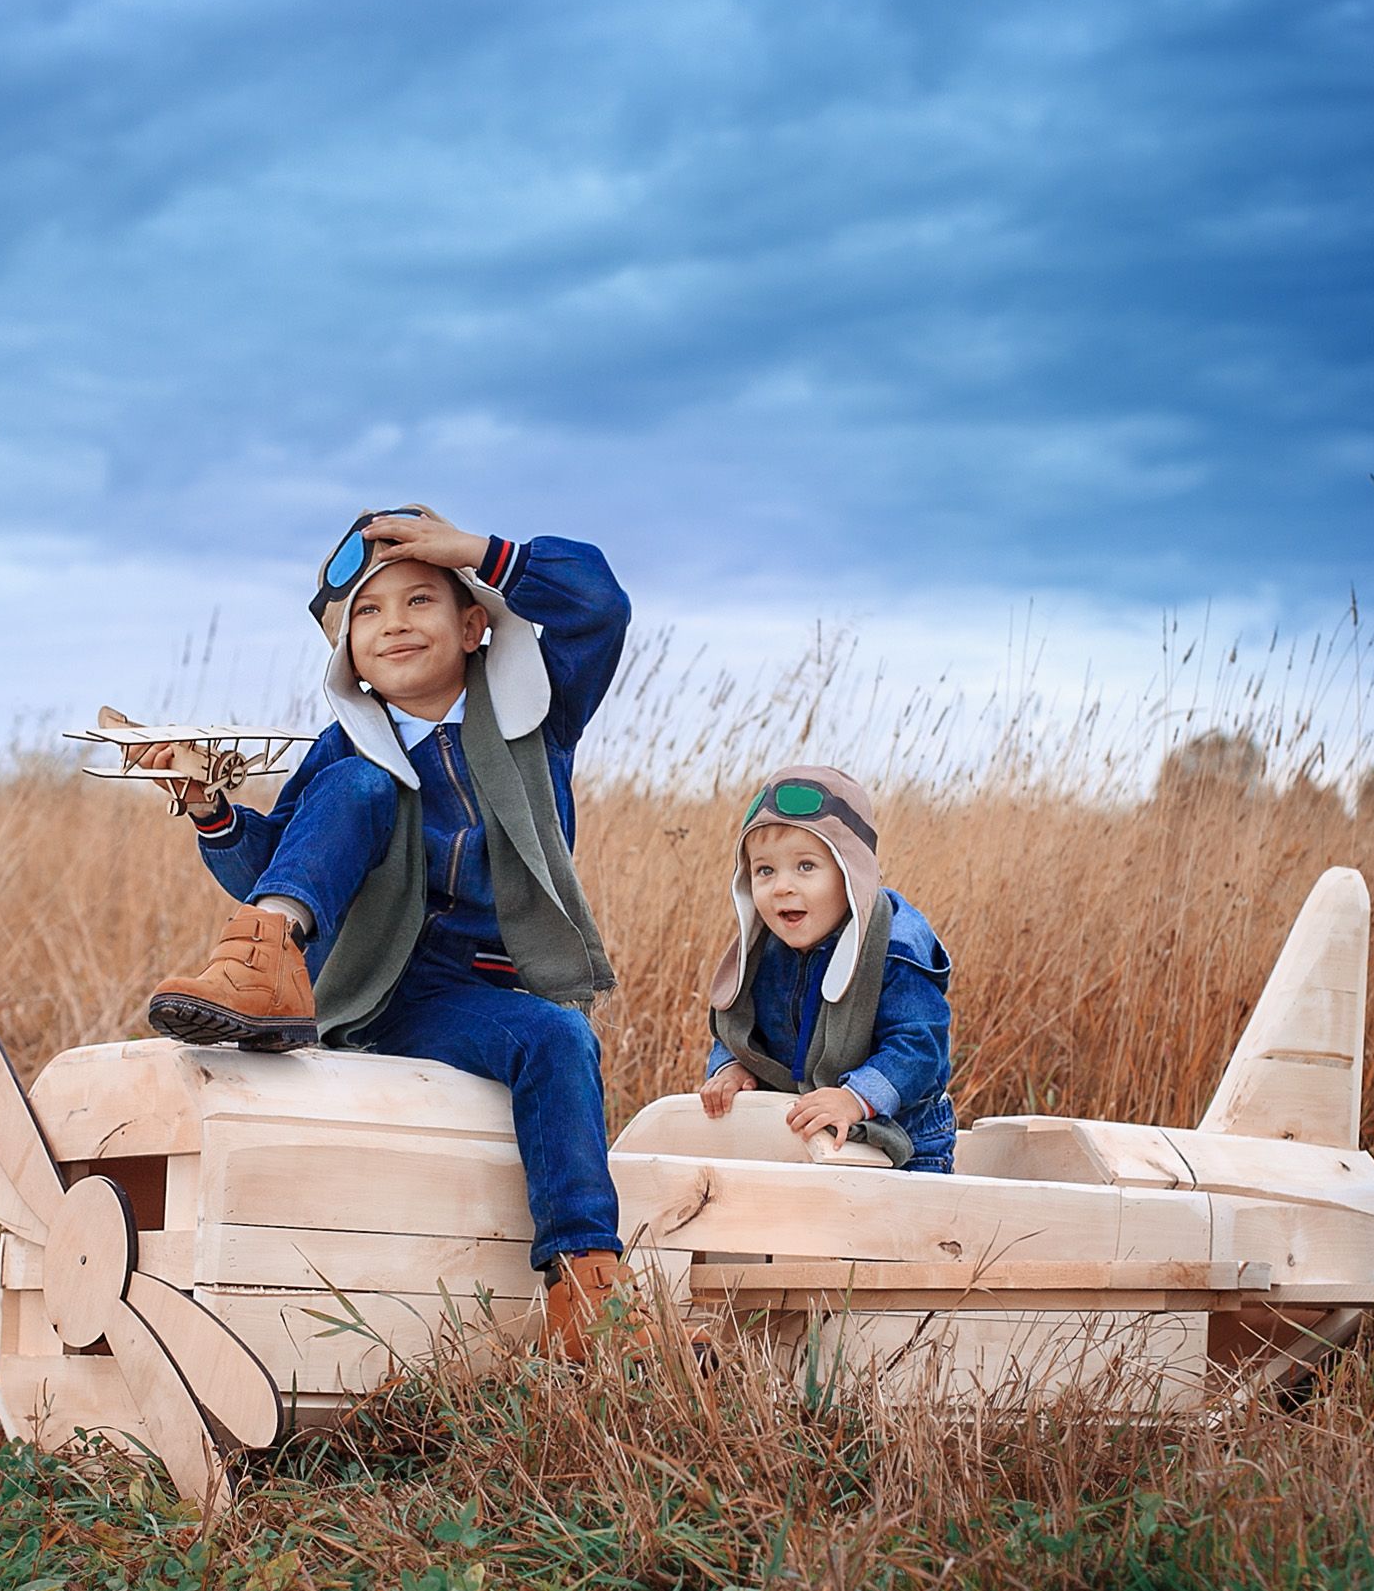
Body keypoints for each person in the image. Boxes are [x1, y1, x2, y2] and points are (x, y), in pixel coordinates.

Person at [136, 505, 643, 1357]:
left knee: (558, 1038)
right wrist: (210, 807)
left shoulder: (532, 713)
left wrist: (479, 551)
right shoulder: (346, 749)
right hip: (374, 987)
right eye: (367, 612)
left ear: (473, 622)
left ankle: (588, 1287)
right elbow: (276, 859)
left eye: (419, 600)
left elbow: (601, 604)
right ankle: (261, 968)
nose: (393, 625)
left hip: (480, 990)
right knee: (357, 790)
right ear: (346, 650)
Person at [697, 765, 957, 1172]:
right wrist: (732, 1066)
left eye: (805, 866)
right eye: (765, 870)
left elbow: (919, 1045)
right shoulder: (764, 947)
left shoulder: (895, 945)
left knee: (897, 1233)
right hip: (804, 1132)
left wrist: (855, 1098)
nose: (782, 886)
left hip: (906, 1136)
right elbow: (738, 1027)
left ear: (850, 872)